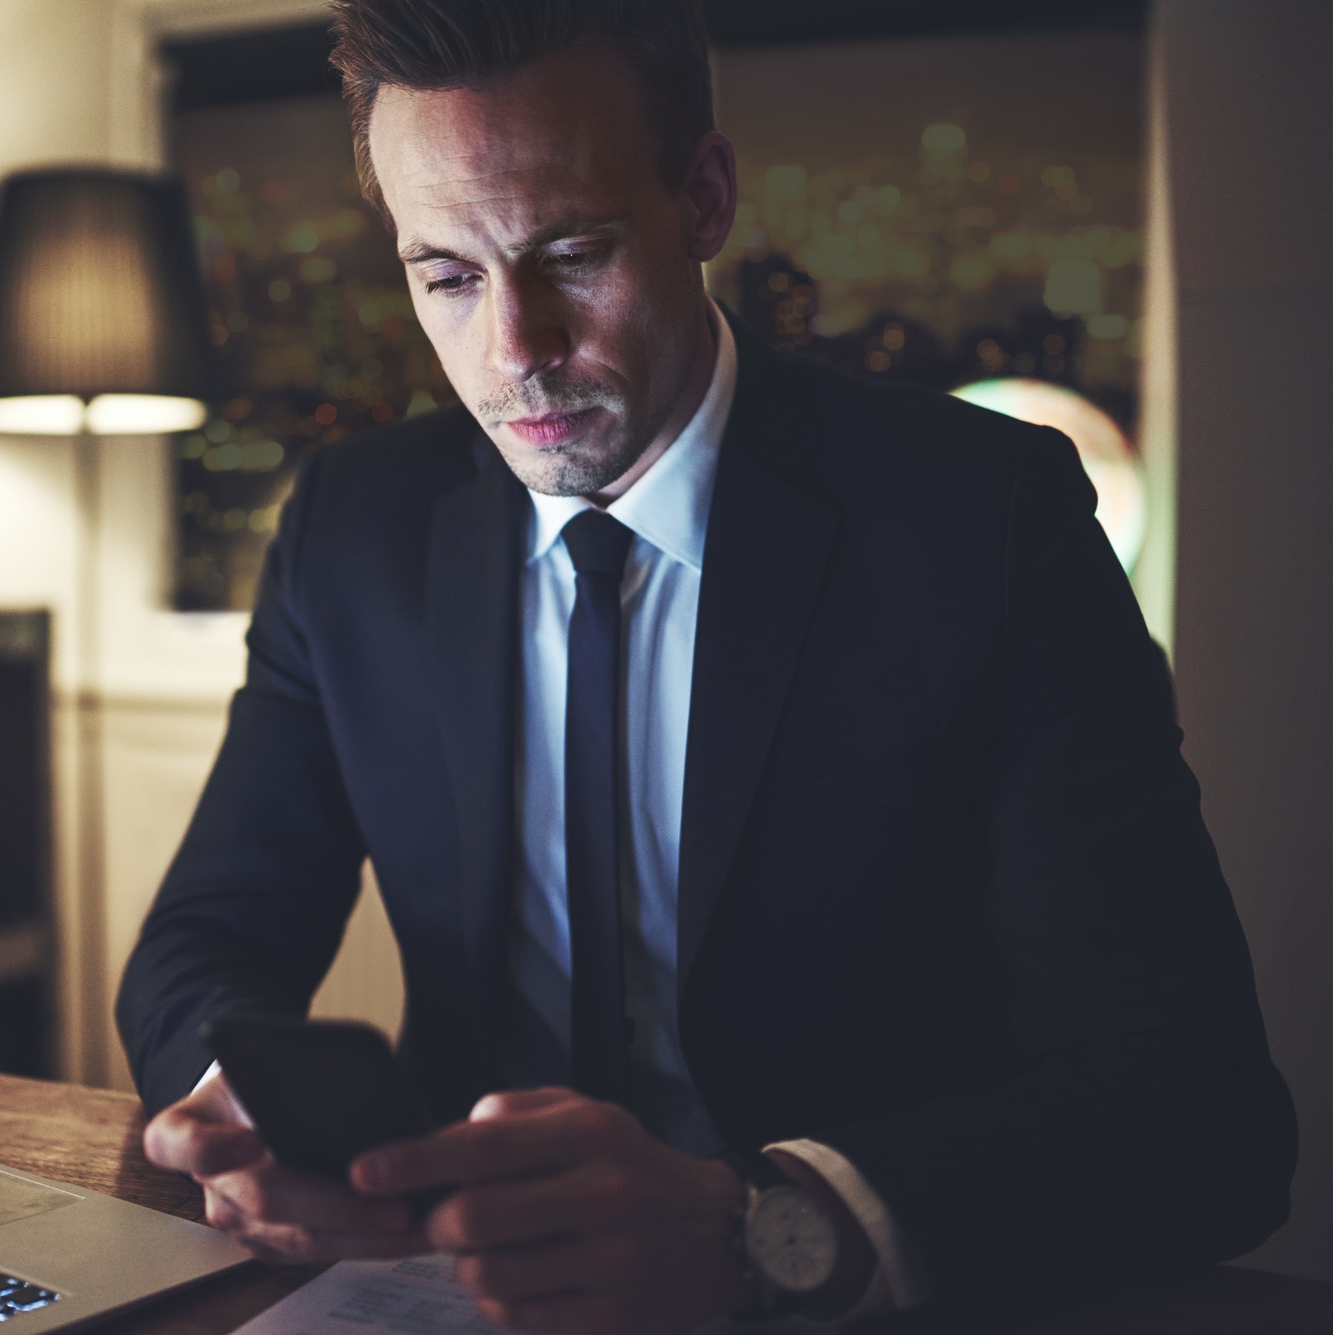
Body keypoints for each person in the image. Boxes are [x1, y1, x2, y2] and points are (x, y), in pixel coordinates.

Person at [116, 1, 1296, 1330]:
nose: (517, 351)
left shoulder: (988, 521)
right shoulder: (353, 529)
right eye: (446, 274)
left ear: (706, 198)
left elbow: (1198, 1111)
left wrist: (763, 1228)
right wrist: (241, 1113)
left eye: (576, 251)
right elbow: (202, 942)